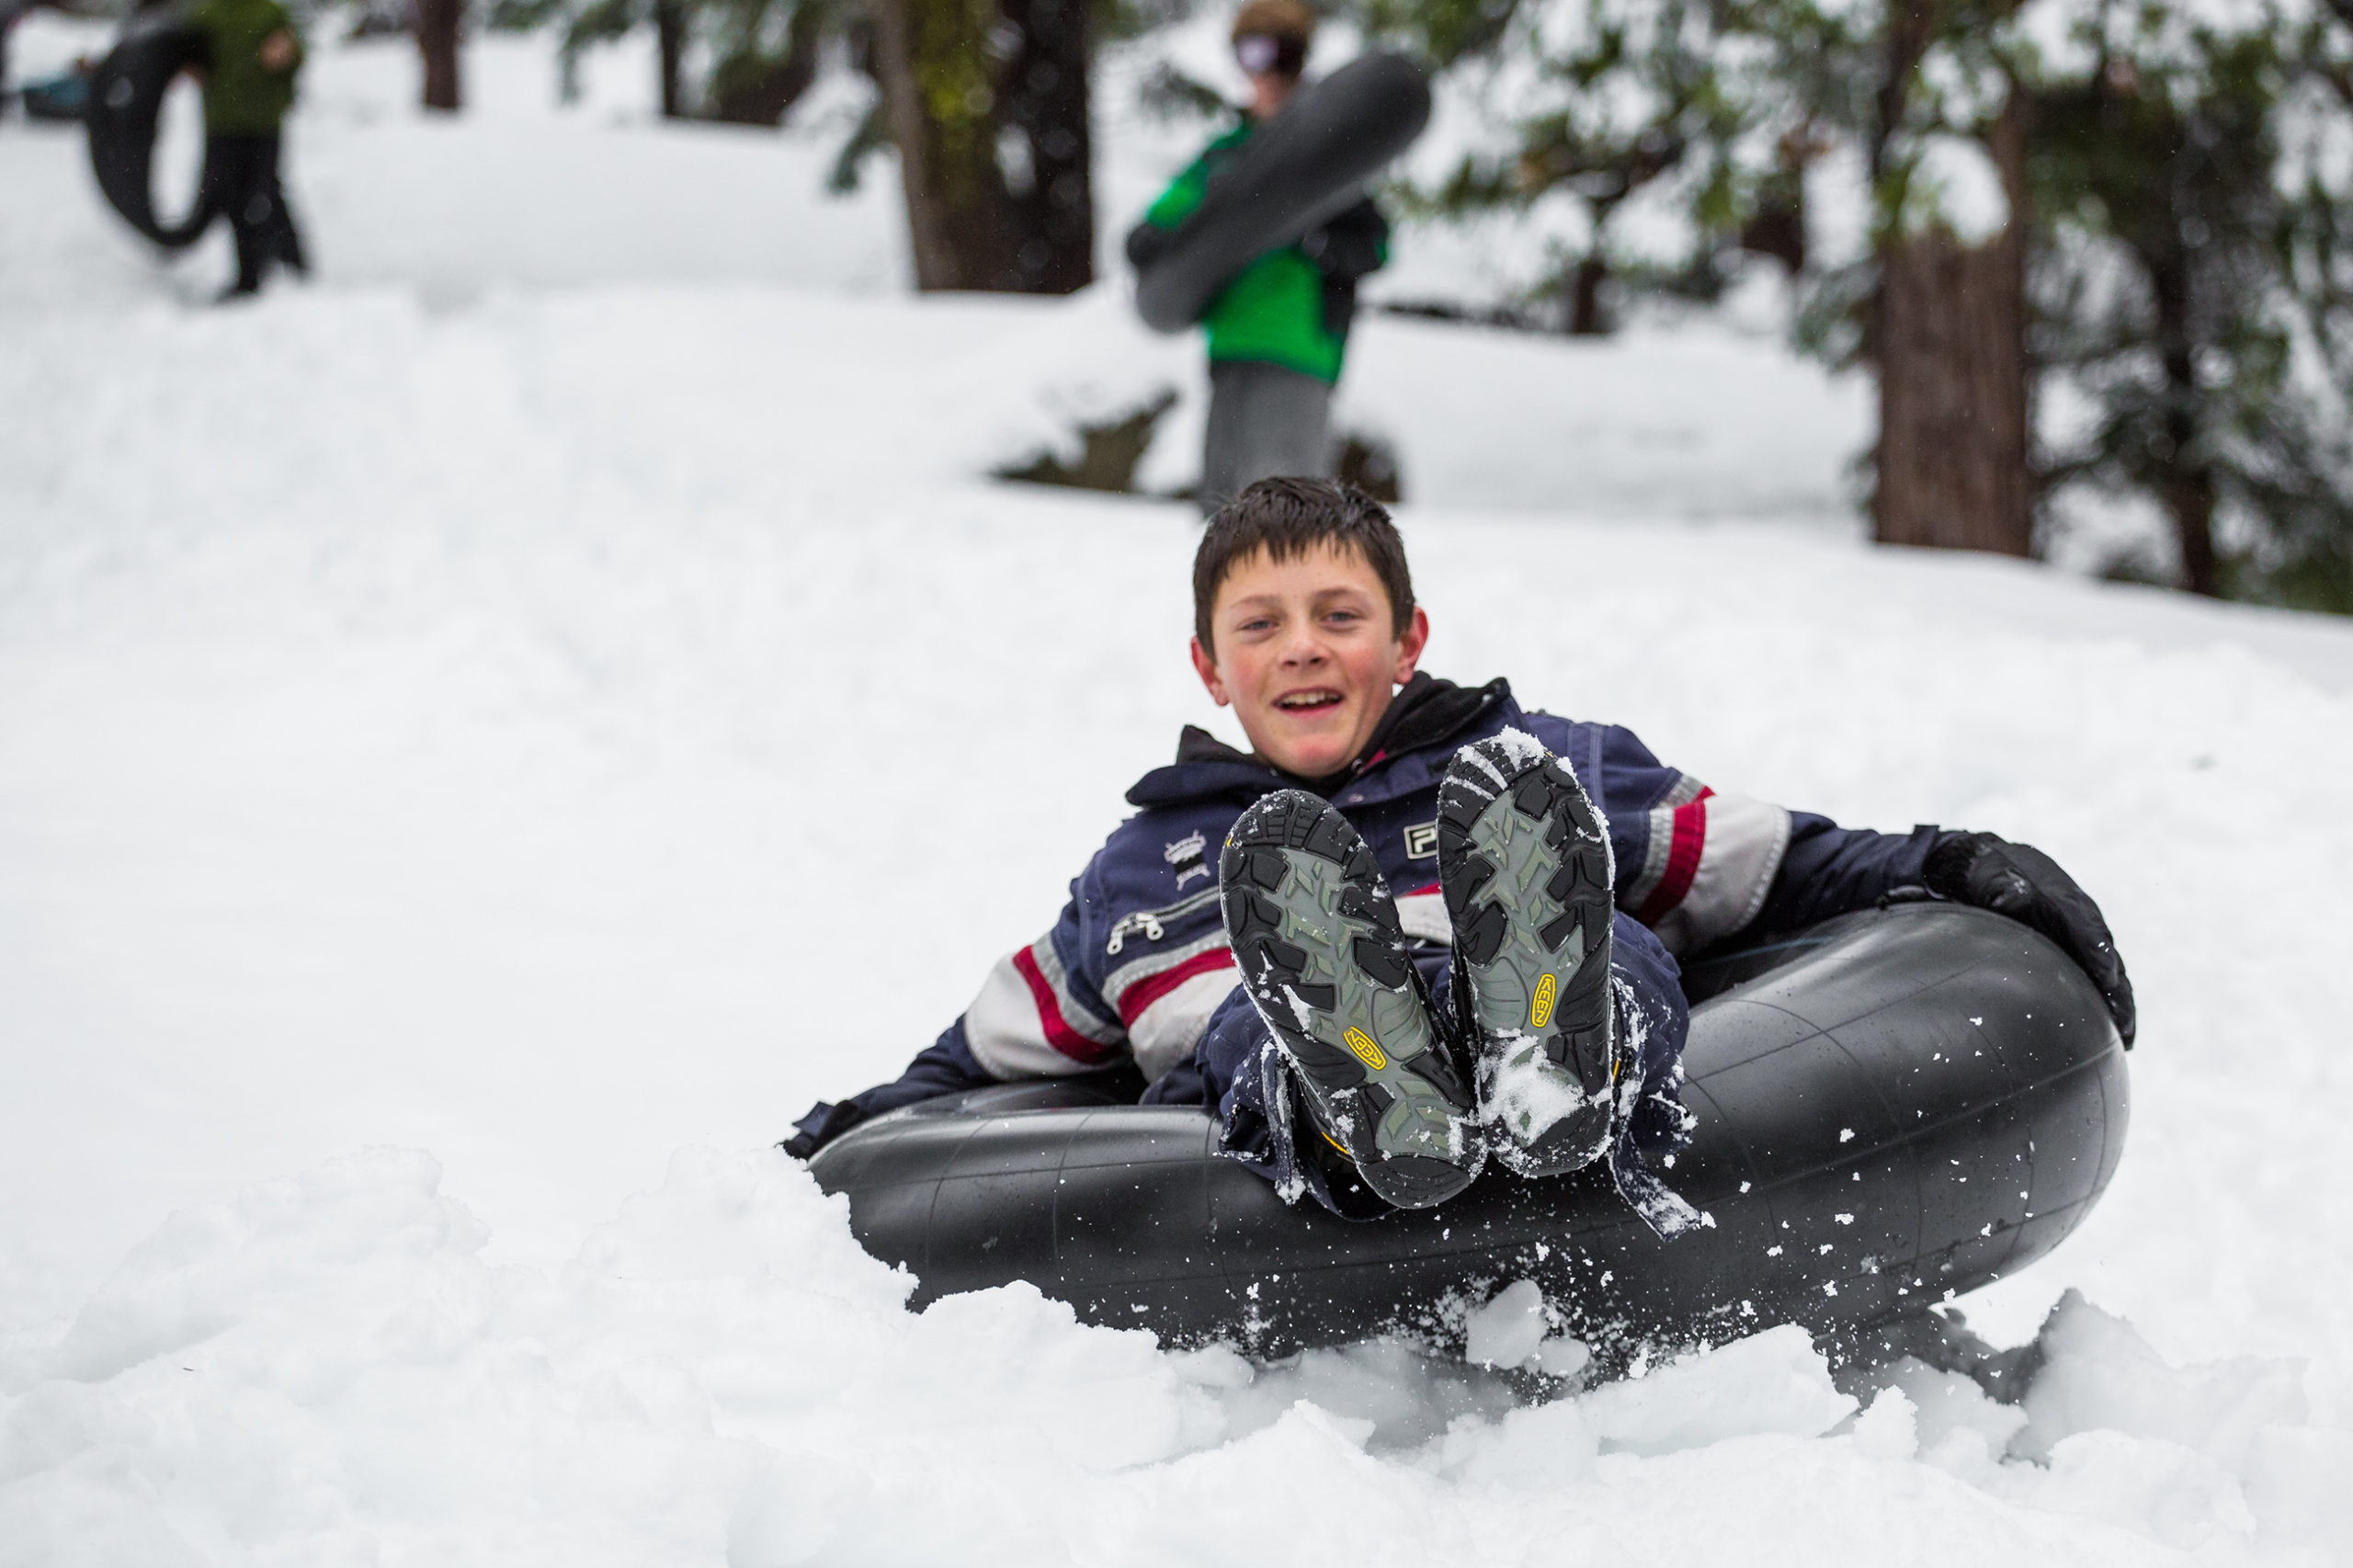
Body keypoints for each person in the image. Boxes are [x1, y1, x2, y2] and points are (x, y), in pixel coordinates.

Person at [781, 479, 2136, 1233]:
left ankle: (1556, 1048)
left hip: (1542, 956)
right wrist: (852, 1129)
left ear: (1406, 638)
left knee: (1621, 947)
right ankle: (1363, 1089)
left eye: (1338, 613)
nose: (1301, 646)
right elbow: (980, 1066)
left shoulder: (1532, 766)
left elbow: (1772, 867)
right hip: (1300, 1047)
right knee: (1253, 1029)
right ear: (1211, 665)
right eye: (1261, 625)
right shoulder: (1141, 874)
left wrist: (1956, 862)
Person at [1126, 0, 1390, 513]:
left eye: (1282, 57)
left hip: (1299, 353)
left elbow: (1374, 245)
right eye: (1252, 55)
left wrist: (1314, 241)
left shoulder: (1331, 158)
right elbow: (1154, 227)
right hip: (1230, 350)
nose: (1267, 74)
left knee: (1291, 515)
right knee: (1225, 517)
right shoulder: (1226, 159)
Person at [187, 0, 307, 299]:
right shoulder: (207, 15)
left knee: (266, 190)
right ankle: (249, 274)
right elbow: (184, 54)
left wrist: (287, 54)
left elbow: (295, 53)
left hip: (263, 121)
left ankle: (293, 264)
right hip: (223, 123)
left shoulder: (268, 12)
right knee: (232, 197)